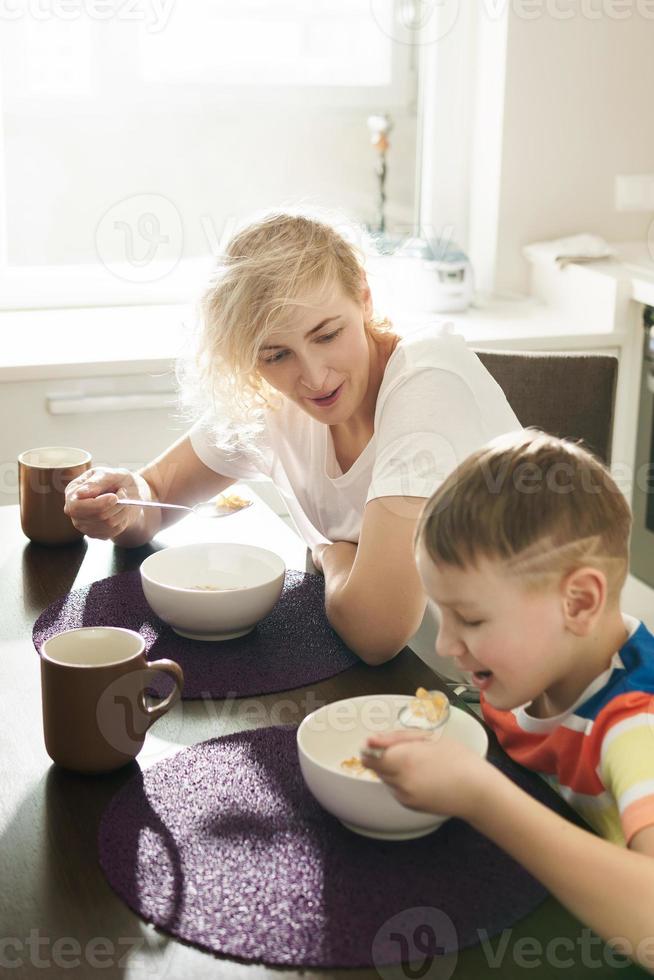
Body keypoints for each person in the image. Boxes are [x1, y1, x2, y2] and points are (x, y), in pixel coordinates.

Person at [64, 212, 520, 667]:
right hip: (392, 681)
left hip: (503, 696)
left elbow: (376, 631)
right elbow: (156, 496)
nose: (314, 377)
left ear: (363, 296)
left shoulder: (429, 386)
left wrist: (331, 552)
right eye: (277, 354)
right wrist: (121, 503)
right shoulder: (272, 402)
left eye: (328, 334)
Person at [363, 430, 654, 969]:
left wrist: (482, 795)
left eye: (470, 619)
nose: (447, 645)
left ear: (580, 602)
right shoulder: (531, 670)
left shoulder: (636, 727)